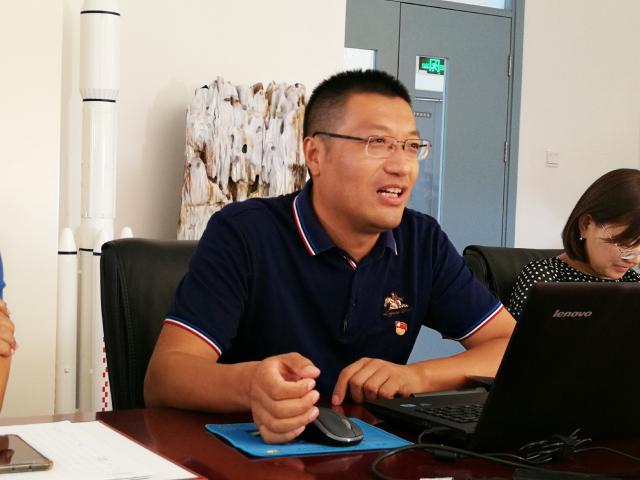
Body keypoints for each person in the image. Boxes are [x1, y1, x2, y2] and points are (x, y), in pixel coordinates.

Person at [144, 69, 516, 443]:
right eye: (378, 142)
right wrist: (251, 384)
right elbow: (164, 377)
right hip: (255, 451)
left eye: (410, 146)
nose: (401, 166)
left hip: (370, 452)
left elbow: (512, 346)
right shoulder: (245, 233)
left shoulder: (422, 241)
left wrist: (417, 376)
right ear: (315, 154)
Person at [508, 168, 640, 320]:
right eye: (625, 244)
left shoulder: (633, 283)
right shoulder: (544, 280)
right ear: (586, 224)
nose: (635, 260)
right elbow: (521, 335)